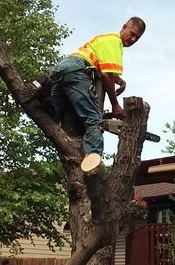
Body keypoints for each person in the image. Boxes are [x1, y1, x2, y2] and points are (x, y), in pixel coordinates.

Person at [48, 16, 146, 171]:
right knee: (94, 120)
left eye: (137, 38)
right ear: (124, 26)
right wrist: (115, 105)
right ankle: (92, 156)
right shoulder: (115, 42)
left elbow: (103, 68)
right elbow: (106, 75)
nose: (132, 39)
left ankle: (43, 95)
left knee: (53, 114)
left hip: (62, 69)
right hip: (78, 71)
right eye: (132, 33)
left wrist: (119, 80)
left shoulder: (104, 39)